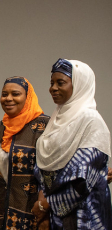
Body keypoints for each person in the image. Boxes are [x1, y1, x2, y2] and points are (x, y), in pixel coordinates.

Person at [33, 58, 112, 229]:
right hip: (53, 214)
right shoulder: (56, 121)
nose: (53, 88)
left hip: (84, 216)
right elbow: (44, 169)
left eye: (60, 83)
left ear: (79, 85)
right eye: (52, 83)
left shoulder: (91, 122)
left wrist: (46, 205)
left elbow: (82, 179)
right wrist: (43, 204)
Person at [0, 76, 49, 230]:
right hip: (1, 213)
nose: (8, 99)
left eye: (15, 94)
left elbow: (52, 172)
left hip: (33, 213)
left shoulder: (44, 126)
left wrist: (44, 208)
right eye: (4, 94)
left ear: (28, 97)